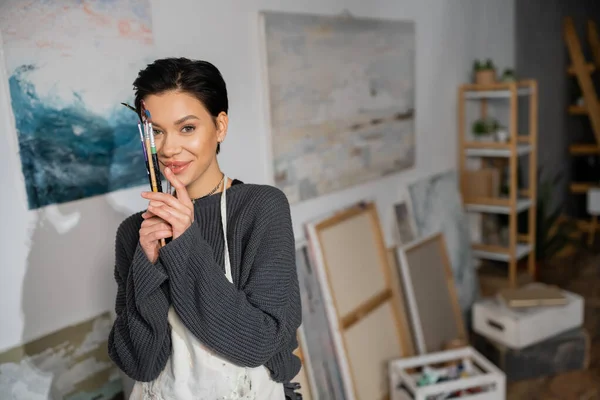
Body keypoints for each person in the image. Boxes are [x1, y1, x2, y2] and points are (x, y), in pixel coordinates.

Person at [108, 57, 303, 399]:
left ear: (220, 126)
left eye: (187, 128)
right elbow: (140, 364)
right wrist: (147, 262)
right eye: (156, 131)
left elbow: (256, 344)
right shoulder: (134, 233)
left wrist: (185, 243)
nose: (168, 149)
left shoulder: (261, 209)